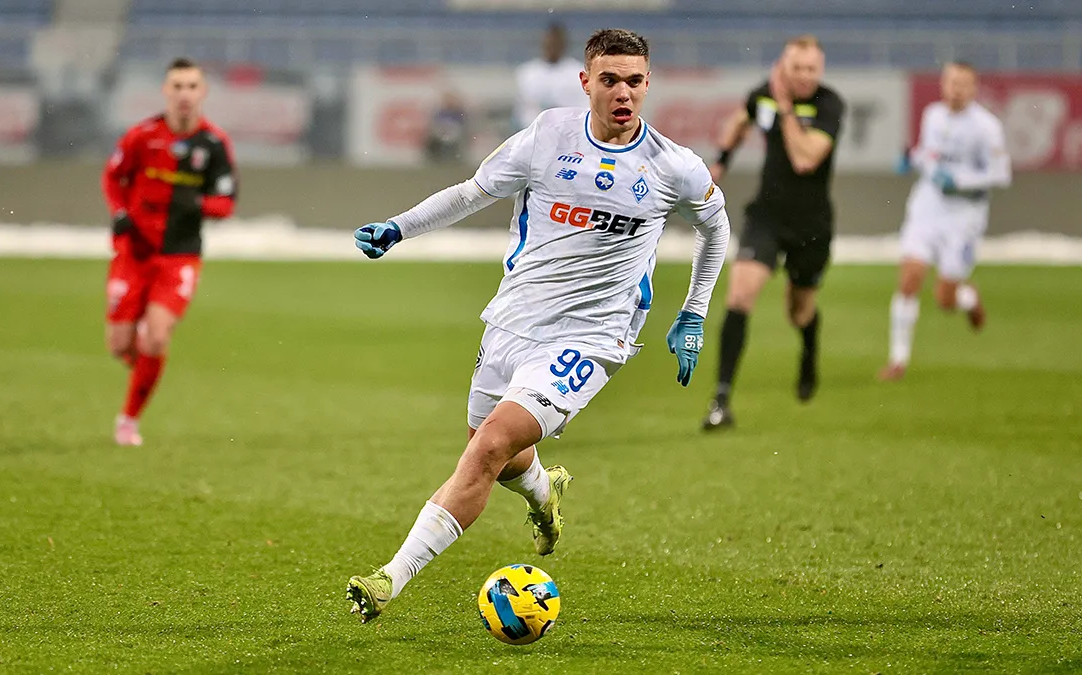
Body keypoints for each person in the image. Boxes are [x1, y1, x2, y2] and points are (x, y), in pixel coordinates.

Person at [345, 28, 730, 624]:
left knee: (490, 446)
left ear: (648, 84)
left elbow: (716, 228)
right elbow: (472, 193)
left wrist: (693, 313)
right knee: (491, 449)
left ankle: (389, 579)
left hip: (592, 338)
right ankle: (546, 494)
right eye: (610, 80)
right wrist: (399, 227)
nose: (623, 93)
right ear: (585, 82)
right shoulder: (549, 135)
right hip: (513, 320)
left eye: (634, 81)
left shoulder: (673, 166)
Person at [702, 35, 845, 430]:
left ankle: (809, 351)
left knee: (799, 313)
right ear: (784, 67)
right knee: (739, 295)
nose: (804, 75)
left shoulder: (829, 105)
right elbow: (740, 120)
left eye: (811, 69)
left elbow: (805, 159)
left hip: (811, 226)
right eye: (797, 68)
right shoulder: (763, 95)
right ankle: (720, 400)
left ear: (821, 70)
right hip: (766, 217)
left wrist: (784, 108)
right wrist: (721, 162)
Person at [102, 57, 237, 446]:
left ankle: (128, 420)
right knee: (119, 345)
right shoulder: (142, 136)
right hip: (134, 252)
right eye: (177, 86)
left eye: (191, 86)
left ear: (203, 92)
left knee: (157, 338)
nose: (184, 94)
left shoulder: (214, 144)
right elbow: (113, 177)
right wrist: (119, 212)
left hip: (180, 255)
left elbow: (226, 204)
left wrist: (196, 204)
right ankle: (145, 361)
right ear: (165, 91)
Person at [879, 62, 1011, 381]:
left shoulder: (986, 127)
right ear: (943, 84)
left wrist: (960, 181)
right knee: (909, 278)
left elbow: (1000, 174)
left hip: (964, 217)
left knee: (945, 299)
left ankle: (969, 298)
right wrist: (912, 159)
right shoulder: (933, 115)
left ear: (974, 88)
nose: (956, 90)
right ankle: (898, 359)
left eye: (963, 84)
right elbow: (930, 156)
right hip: (927, 207)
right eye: (952, 82)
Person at [512, 22, 588, 131]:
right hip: (534, 133)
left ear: (563, 45)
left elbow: (583, 108)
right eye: (549, 43)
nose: (552, 47)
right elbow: (523, 110)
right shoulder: (528, 73)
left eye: (555, 43)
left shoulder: (577, 73)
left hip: (568, 133)